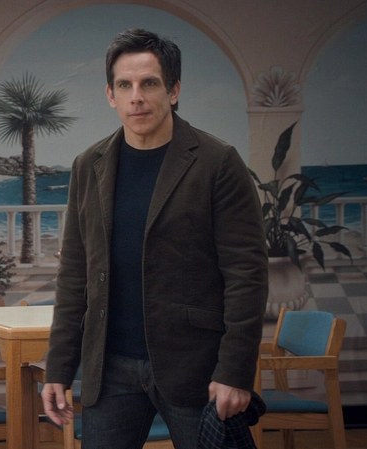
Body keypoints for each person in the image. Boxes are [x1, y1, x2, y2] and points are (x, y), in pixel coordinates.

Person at [41, 28, 268, 449]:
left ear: (174, 90)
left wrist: (235, 372)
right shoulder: (89, 165)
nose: (136, 97)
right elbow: (74, 274)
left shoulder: (217, 162)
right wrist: (58, 368)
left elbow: (246, 275)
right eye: (124, 85)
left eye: (149, 83)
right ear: (110, 95)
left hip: (195, 368)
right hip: (110, 368)